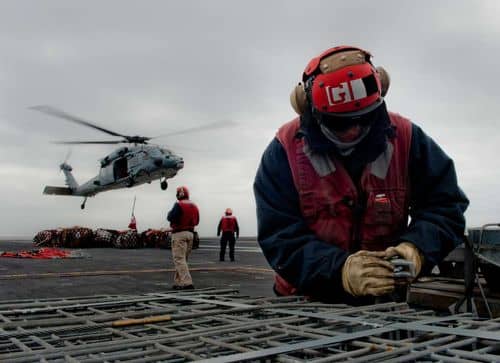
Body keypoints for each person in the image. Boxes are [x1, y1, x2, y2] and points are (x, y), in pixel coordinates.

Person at [253, 45, 469, 304]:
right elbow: (280, 237)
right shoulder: (284, 151)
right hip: (305, 299)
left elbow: (446, 206)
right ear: (310, 110)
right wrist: (340, 271)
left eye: (364, 118)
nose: (353, 130)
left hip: (383, 299)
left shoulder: (408, 139)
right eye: (340, 123)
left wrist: (415, 251)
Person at [167, 185, 200, 290]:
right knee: (183, 260)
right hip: (190, 234)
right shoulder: (194, 205)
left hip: (179, 234)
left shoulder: (178, 204)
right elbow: (197, 221)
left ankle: (187, 283)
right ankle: (178, 282)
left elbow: (171, 217)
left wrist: (169, 213)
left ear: (179, 194)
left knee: (179, 259)